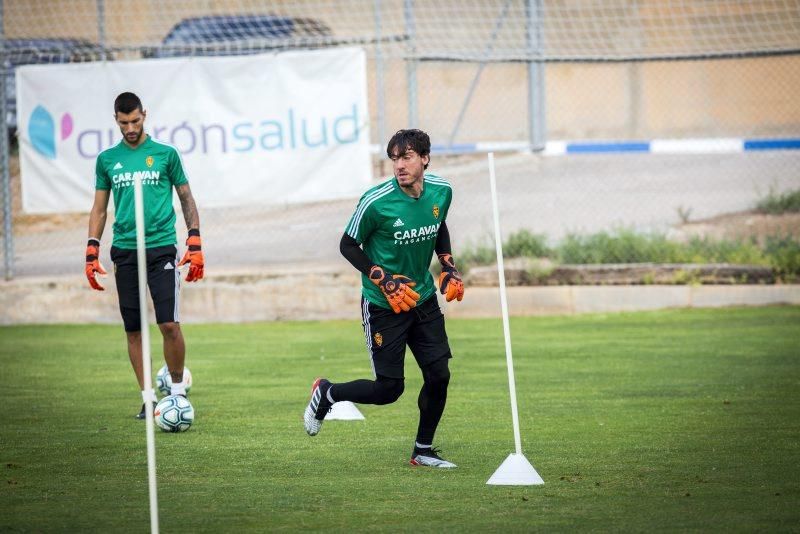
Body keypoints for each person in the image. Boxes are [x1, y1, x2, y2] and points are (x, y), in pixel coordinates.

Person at [303, 129, 465, 468]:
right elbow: (348, 245)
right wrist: (383, 278)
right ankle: (328, 393)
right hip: (382, 305)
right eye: (394, 159)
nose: (399, 166)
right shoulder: (375, 202)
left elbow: (439, 225)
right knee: (389, 390)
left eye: (406, 157)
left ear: (424, 158)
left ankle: (423, 450)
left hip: (421, 299)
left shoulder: (442, 191)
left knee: (439, 375)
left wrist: (448, 266)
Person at [85, 92, 205, 419]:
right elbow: (99, 208)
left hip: (161, 246)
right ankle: (149, 398)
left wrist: (194, 240)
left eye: (136, 121)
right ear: (116, 121)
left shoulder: (166, 154)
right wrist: (91, 248)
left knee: (168, 324)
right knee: (134, 329)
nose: (131, 128)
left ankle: (177, 395)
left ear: (144, 115)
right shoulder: (108, 160)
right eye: (124, 123)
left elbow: (186, 197)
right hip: (124, 249)